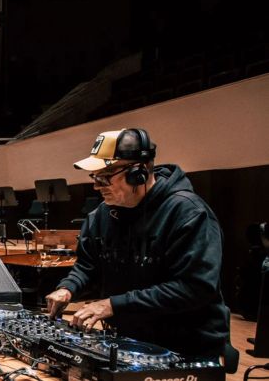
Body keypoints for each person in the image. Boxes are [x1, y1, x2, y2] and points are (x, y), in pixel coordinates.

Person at [45, 128, 230, 358]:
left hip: (186, 347)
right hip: (130, 340)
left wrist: (112, 305)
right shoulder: (101, 215)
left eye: (105, 176)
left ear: (138, 173)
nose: (96, 185)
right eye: (94, 177)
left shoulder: (189, 213)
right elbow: (87, 266)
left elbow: (193, 288)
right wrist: (68, 288)